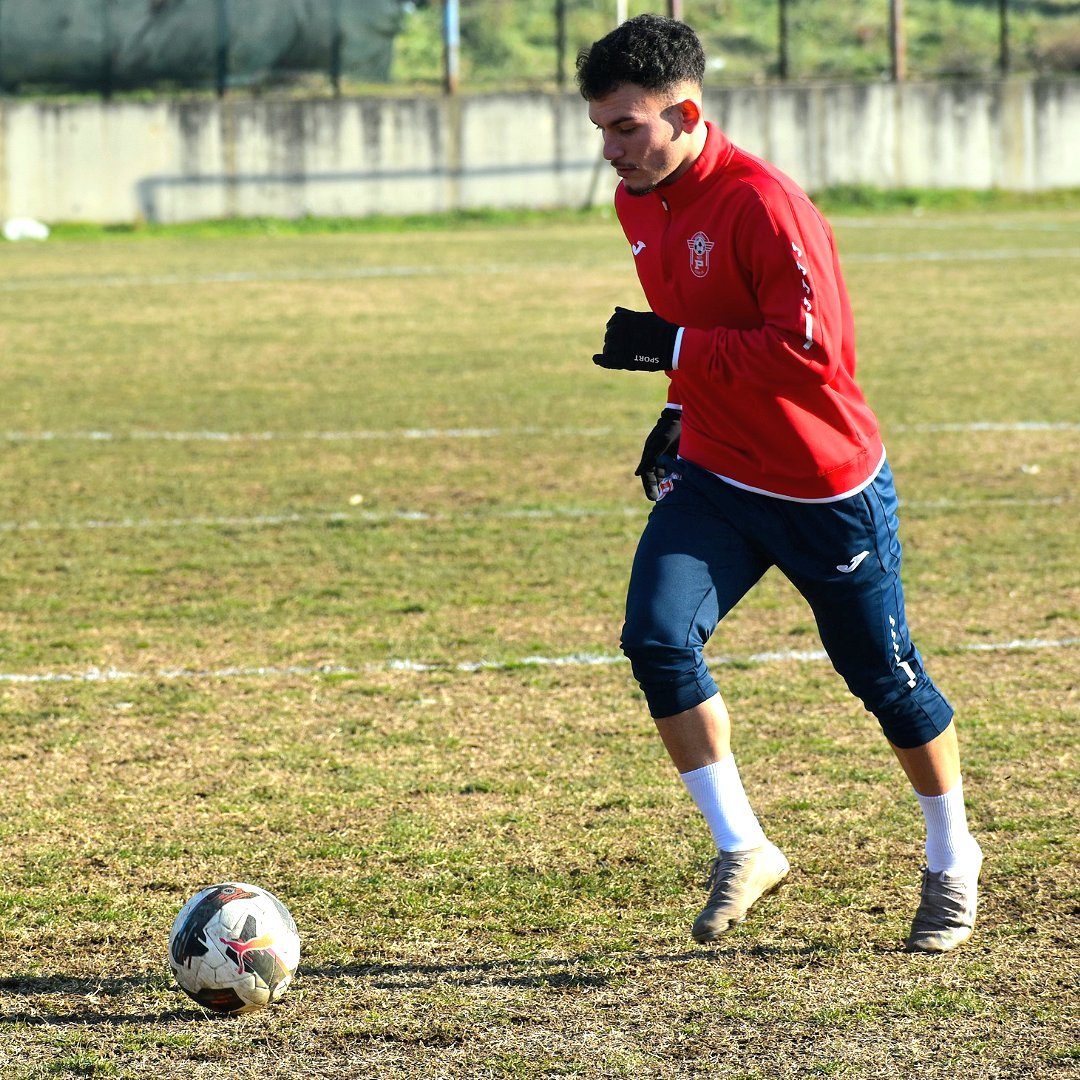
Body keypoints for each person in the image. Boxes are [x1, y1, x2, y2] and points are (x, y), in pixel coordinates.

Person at [576, 14, 982, 952]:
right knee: (655, 639)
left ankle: (952, 856)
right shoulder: (638, 201)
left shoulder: (765, 205)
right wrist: (679, 408)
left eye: (627, 127)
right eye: (600, 128)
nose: (610, 150)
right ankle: (744, 845)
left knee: (885, 678)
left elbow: (813, 355)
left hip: (820, 483)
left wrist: (672, 347)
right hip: (718, 470)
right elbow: (706, 324)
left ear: (685, 113)